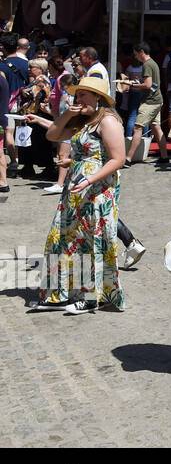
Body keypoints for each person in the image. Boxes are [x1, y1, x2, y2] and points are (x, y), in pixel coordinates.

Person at [25, 76, 128, 314]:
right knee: (60, 239)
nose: (78, 98)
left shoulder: (108, 121)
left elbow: (118, 159)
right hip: (74, 190)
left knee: (92, 243)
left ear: (98, 98)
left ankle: (93, 296)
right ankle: (57, 294)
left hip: (98, 191)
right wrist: (68, 115)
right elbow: (52, 135)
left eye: (83, 94)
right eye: (77, 94)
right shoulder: (81, 120)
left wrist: (90, 178)